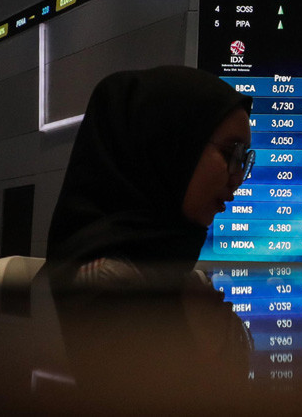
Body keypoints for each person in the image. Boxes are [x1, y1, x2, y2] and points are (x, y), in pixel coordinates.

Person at [41, 65, 255, 407]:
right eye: (231, 154)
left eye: (244, 160)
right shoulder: (103, 285)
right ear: (168, 147)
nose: (237, 179)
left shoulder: (173, 276)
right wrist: (207, 340)